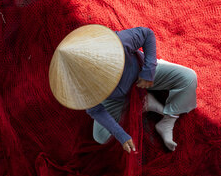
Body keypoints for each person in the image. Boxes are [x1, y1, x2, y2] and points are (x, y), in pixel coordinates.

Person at [48, 24, 197, 153]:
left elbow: (147, 34)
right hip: (116, 98)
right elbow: (95, 110)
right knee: (100, 136)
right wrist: (121, 134)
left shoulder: (118, 42)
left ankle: (168, 119)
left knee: (189, 78)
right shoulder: (77, 84)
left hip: (140, 74)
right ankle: (145, 103)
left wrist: (149, 71)